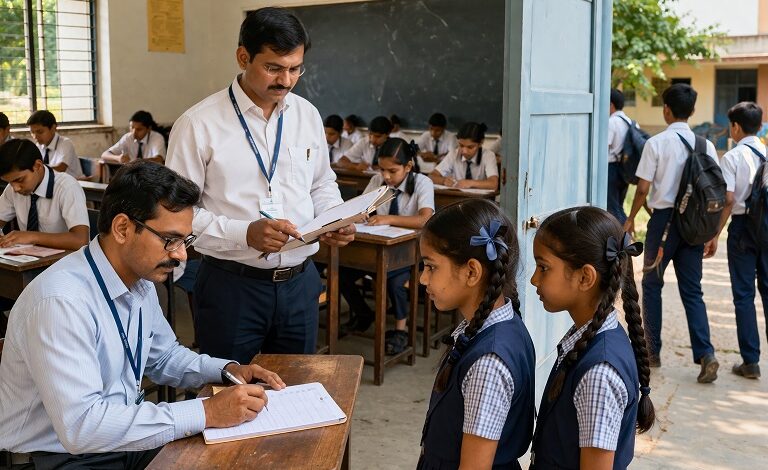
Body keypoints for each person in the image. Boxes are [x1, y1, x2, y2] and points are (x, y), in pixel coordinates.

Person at [0, 161, 286, 468]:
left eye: (186, 241)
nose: (180, 255)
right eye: (170, 240)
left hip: (118, 436)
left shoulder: (139, 277)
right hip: (58, 455)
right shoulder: (61, 301)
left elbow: (163, 358)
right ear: (123, 228)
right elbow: (82, 427)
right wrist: (207, 412)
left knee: (244, 455)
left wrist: (227, 370)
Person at [165, 7, 354, 364]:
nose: (286, 80)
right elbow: (176, 216)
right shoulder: (198, 124)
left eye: (295, 68)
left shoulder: (307, 115)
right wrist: (244, 233)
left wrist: (333, 217)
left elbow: (321, 182)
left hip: (300, 283)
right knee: (229, 396)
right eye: (273, 67)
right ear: (242, 57)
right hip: (231, 287)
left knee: (296, 393)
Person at [529, 206, 655, 470]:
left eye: (543, 267)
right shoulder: (587, 337)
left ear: (585, 277)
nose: (533, 279)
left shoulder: (599, 373)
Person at [417, 198, 535, 469]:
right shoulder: (498, 326)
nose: (423, 278)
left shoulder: (488, 364)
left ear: (471, 271)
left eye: (431, 266)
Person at [624, 83, 720, 382]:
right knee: (693, 290)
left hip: (663, 223)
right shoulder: (707, 146)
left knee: (652, 284)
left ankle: (652, 352)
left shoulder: (657, 143)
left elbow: (642, 188)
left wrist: (630, 218)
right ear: (692, 112)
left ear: (666, 109)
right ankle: (706, 354)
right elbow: (717, 191)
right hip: (694, 225)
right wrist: (713, 231)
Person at [340, 138, 434, 354]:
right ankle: (363, 314)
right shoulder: (377, 181)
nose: (386, 176)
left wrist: (388, 218)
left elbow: (425, 219)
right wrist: (359, 214)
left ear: (408, 166)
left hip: (412, 250)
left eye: (392, 170)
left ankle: (401, 329)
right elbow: (360, 209)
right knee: (342, 273)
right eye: (382, 169)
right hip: (381, 246)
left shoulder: (421, 183)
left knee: (394, 280)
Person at [704, 101, 767, 379]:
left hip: (742, 228)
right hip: (767, 226)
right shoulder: (766, 152)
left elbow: (728, 200)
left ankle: (750, 361)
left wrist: (715, 234)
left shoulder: (732, 157)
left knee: (744, 296)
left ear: (736, 127)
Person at [0, 139, 89, 251]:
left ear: (38, 166)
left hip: (65, 261)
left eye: (20, 180)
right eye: (9, 182)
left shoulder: (67, 187)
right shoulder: (12, 189)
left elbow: (80, 240)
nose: (16, 188)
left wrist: (32, 236)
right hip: (28, 260)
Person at [429, 122, 498, 190]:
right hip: (459, 198)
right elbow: (431, 176)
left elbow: (493, 184)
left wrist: (470, 183)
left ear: (480, 143)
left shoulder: (488, 155)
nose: (464, 151)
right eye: (461, 145)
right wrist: (443, 180)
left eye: (470, 147)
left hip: (480, 200)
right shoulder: (454, 154)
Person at [27, 110, 83, 179]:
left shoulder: (65, 143)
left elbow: (60, 169)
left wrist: (36, 169)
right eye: (32, 132)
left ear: (53, 128)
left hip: (74, 184)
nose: (35, 136)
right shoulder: (39, 146)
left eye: (40, 132)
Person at [102, 110, 167, 164]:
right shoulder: (128, 137)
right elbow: (104, 155)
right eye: (132, 127)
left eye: (139, 129)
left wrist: (136, 162)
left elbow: (159, 159)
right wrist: (118, 158)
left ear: (149, 128)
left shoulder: (157, 138)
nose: (134, 132)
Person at [607, 88, 632, 224]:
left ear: (611, 104)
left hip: (612, 168)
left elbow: (604, 146)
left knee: (612, 208)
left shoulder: (612, 122)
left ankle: (624, 238)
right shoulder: (630, 122)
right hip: (626, 169)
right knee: (619, 205)